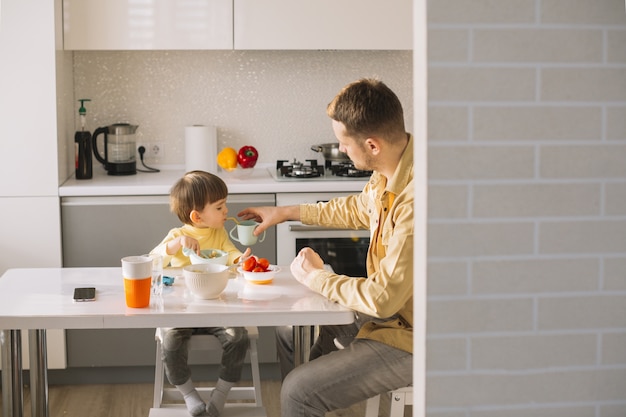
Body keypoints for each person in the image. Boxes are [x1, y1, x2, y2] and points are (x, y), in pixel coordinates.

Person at [239, 78, 414, 416]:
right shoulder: (390, 171)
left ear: (373, 145)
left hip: (414, 335)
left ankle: (307, 398)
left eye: (343, 143)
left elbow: (382, 299)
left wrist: (316, 277)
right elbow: (357, 209)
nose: (342, 150)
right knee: (291, 329)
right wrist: (286, 212)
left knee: (298, 392)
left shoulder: (416, 200)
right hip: (393, 314)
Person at [150, 170, 252, 417]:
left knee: (239, 338)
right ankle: (188, 394)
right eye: (219, 207)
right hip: (182, 312)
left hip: (219, 308)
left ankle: (221, 393)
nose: (226, 211)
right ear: (197, 216)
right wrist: (176, 245)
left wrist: (243, 259)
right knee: (171, 342)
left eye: (224, 204)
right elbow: (152, 260)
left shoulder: (218, 234)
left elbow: (230, 253)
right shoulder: (177, 237)